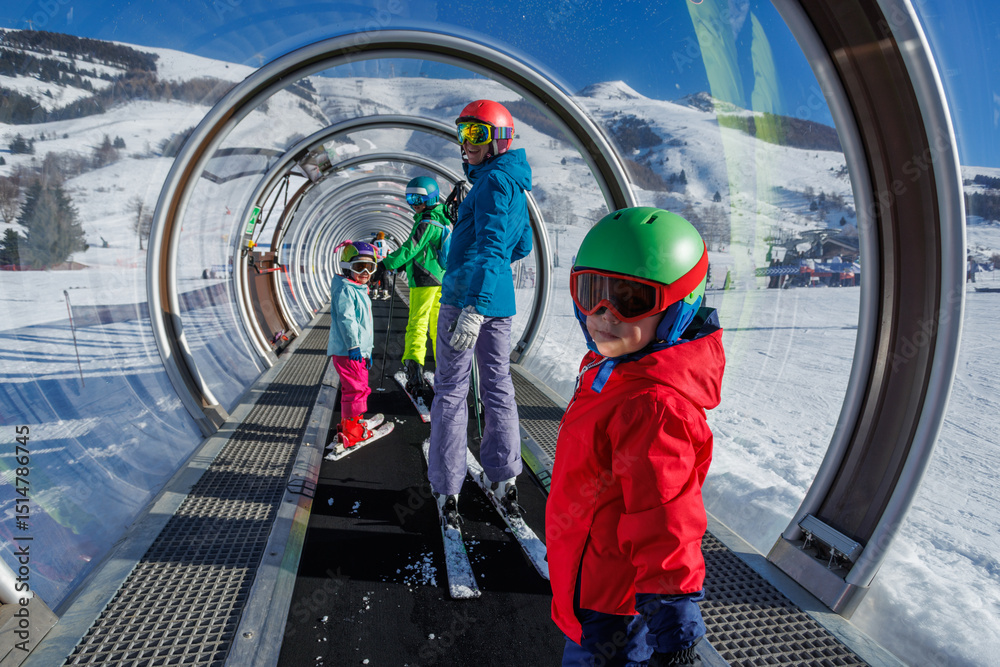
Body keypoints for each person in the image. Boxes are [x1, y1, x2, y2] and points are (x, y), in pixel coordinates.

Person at [547, 207, 725, 667]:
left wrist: (674, 625)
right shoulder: (612, 371)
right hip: (590, 582)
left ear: (677, 308)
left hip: (614, 612)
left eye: (630, 299)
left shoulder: (651, 406)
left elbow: (664, 516)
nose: (604, 315)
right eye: (592, 293)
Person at [428, 99, 533, 527]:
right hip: (501, 305)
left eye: (475, 134)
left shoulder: (490, 184)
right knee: (497, 387)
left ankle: (447, 487)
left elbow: (492, 248)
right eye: (462, 133)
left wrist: (473, 306)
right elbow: (520, 246)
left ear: (498, 139)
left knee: (451, 392)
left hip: (465, 300)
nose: (465, 143)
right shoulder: (514, 183)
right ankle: (503, 476)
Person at [382, 175, 449, 399]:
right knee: (437, 327)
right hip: (440, 278)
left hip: (424, 280)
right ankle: (444, 372)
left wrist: (387, 263)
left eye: (418, 198)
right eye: (410, 198)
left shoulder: (426, 221)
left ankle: (415, 376)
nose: (414, 203)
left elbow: (411, 247)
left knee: (417, 325)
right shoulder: (442, 218)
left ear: (431, 198)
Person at [327, 240, 379, 448]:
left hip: (357, 351)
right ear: (347, 268)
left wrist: (367, 350)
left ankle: (350, 424)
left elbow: (363, 325)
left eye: (370, 267)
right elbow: (347, 320)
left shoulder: (357, 288)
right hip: (348, 351)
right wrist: (354, 347)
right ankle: (352, 432)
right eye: (359, 267)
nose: (365, 272)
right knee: (356, 389)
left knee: (356, 387)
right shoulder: (346, 291)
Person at [369, 231, 391, 299]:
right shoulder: (387, 246)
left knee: (376, 277)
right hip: (384, 263)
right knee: (384, 278)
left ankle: (375, 293)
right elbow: (390, 254)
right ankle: (385, 293)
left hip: (375, 263)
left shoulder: (373, 246)